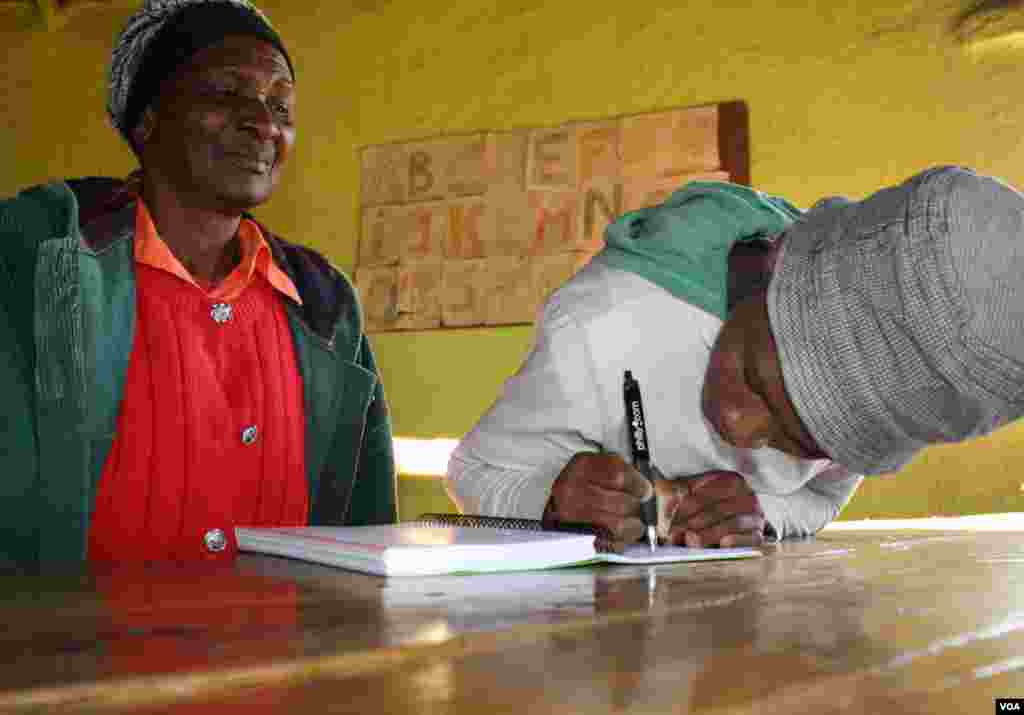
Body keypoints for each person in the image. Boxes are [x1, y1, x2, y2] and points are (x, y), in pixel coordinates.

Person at [0, 0, 396, 568]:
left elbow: (367, 519)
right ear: (149, 118)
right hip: (63, 654)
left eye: (279, 104)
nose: (262, 121)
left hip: (288, 654)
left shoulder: (323, 302)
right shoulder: (40, 259)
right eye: (227, 93)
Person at [447, 166, 1024, 550]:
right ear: (774, 262)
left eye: (804, 442)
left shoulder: (882, 404)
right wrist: (548, 501)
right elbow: (476, 472)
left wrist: (761, 510)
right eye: (755, 379)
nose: (740, 431)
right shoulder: (604, 326)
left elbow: (820, 500)